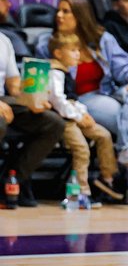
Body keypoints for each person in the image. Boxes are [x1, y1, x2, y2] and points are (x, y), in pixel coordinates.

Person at [39, 0, 128, 204]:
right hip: (78, 101)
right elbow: (46, 82)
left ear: (80, 15)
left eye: (66, 11)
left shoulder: (102, 40)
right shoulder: (49, 43)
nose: (59, 15)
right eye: (59, 10)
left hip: (106, 94)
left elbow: (126, 65)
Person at [48, 31, 117, 207]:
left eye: (78, 50)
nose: (78, 54)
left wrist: (84, 113)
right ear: (58, 53)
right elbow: (58, 102)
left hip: (74, 114)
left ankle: (107, 179)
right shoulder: (54, 72)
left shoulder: (66, 72)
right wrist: (78, 117)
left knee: (103, 135)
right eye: (73, 50)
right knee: (82, 149)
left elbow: (73, 99)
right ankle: (80, 193)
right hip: (63, 119)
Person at [0, 27, 66, 206]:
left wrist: (34, 98)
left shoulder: (4, 40)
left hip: (4, 99)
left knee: (54, 123)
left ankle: (12, 181)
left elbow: (13, 83)